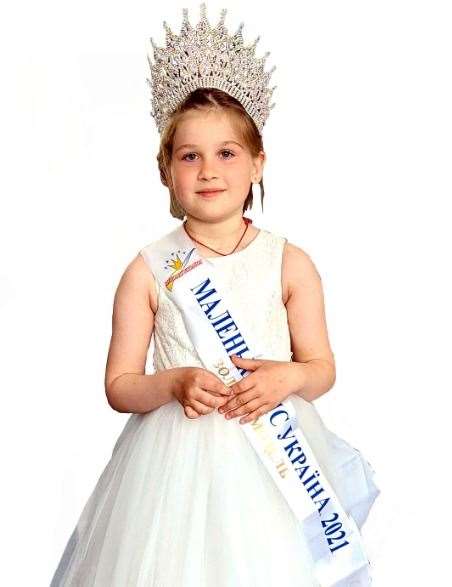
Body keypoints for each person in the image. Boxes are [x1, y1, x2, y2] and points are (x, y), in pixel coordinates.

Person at [50, 4, 380, 586]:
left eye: (227, 153)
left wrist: (289, 378)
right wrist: (172, 383)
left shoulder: (289, 262)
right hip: (170, 472)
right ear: (166, 171)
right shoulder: (148, 270)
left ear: (257, 163)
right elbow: (120, 385)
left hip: (275, 462)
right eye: (189, 156)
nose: (209, 170)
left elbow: (322, 367)